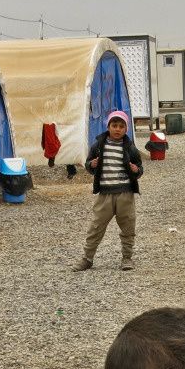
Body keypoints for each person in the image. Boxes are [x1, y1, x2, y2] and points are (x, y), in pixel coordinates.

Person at [74, 111, 143, 272]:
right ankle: (87, 258)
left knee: (128, 226)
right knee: (96, 226)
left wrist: (136, 170)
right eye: (114, 125)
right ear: (108, 126)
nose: (117, 129)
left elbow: (139, 168)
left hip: (125, 193)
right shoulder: (99, 145)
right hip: (104, 193)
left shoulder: (130, 147)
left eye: (121, 126)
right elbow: (88, 164)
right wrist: (92, 164)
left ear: (126, 129)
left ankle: (127, 258)